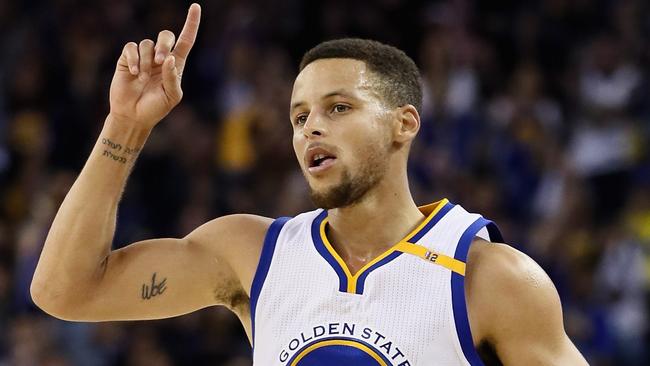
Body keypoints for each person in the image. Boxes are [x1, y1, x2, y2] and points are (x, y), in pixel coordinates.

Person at [30, 4, 588, 365]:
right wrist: (125, 125)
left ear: (404, 123)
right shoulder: (254, 254)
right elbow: (64, 291)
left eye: (338, 107)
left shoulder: (492, 279)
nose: (312, 127)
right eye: (299, 117)